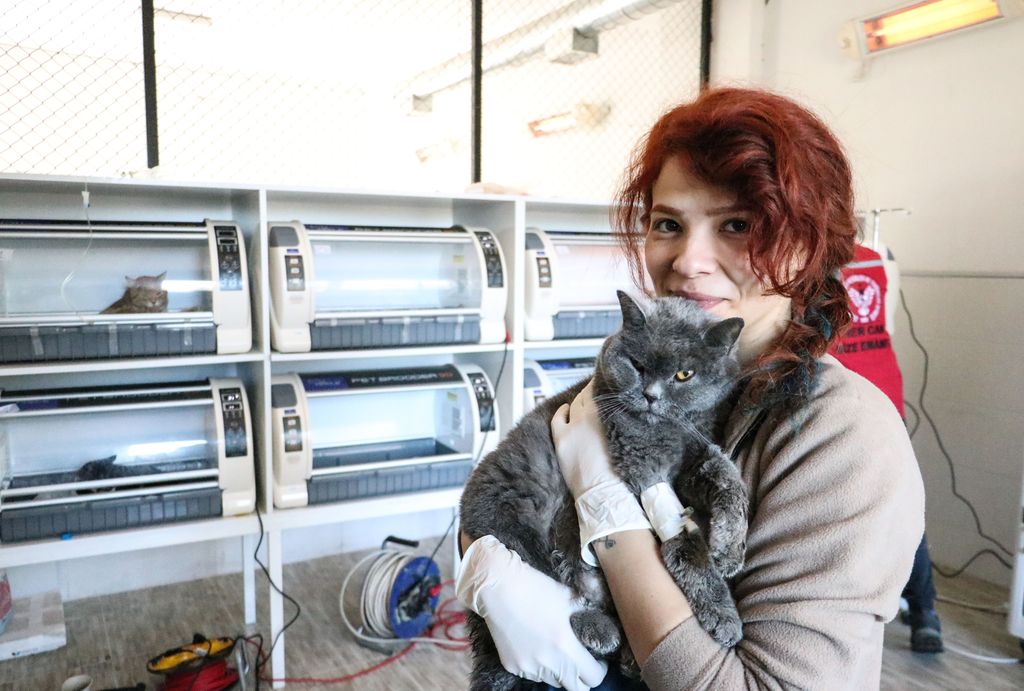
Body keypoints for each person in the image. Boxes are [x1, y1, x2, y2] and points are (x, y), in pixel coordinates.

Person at [456, 87, 924, 690]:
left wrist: (611, 519)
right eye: (667, 224)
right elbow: (508, 483)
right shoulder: (635, 371)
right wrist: (487, 567)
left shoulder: (844, 436)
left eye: (736, 225)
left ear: (805, 241)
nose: (688, 261)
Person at [832, 242, 943, 653]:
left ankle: (914, 609)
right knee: (900, 507)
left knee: (882, 509)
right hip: (885, 389)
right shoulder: (877, 261)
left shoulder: (812, 261)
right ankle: (925, 613)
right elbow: (887, 322)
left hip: (850, 395)